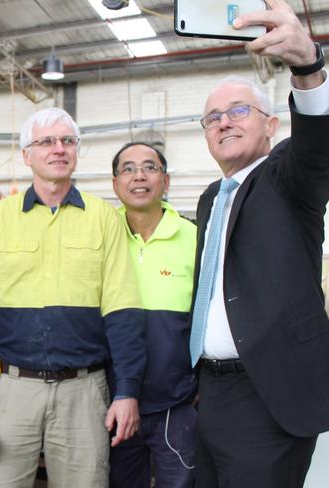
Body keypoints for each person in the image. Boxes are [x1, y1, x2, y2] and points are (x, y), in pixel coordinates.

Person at [0, 107, 145, 488]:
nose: (59, 149)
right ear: (27, 155)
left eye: (67, 141)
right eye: (46, 141)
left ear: (76, 150)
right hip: (12, 390)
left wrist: (127, 391)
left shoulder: (104, 218)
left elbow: (122, 312)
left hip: (85, 391)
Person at [189, 1, 329, 486]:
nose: (223, 122)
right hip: (211, 393)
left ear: (271, 124)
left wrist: (308, 66)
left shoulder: (288, 176)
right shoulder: (211, 198)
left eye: (238, 111)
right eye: (212, 118)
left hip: (270, 394)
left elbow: (318, 144)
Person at [109, 142, 197, 488]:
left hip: (177, 401)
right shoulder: (101, 234)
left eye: (149, 167)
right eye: (128, 169)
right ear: (115, 183)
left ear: (166, 180)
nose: (139, 176)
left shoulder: (194, 237)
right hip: (112, 400)